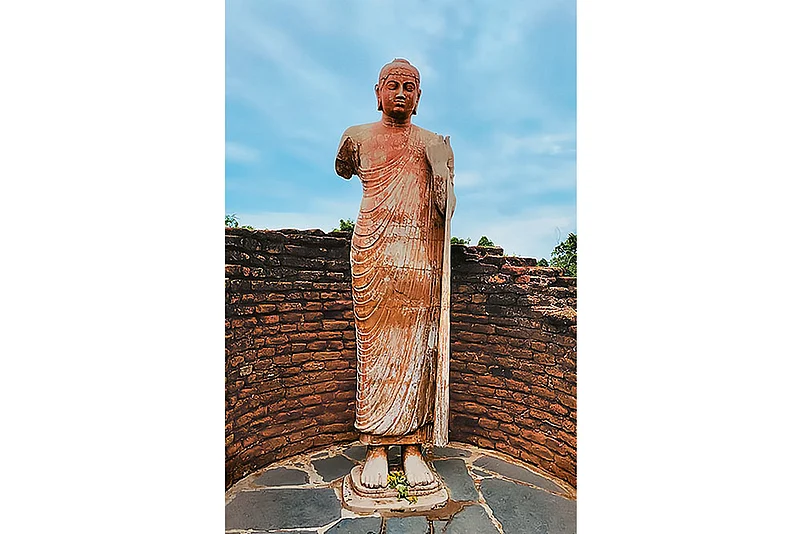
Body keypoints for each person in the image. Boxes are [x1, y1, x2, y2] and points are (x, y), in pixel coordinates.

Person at [335, 58, 455, 489]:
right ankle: (376, 447)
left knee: (415, 352)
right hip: (372, 252)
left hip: (419, 254)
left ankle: (412, 446)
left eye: (410, 87)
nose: (401, 93)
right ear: (377, 91)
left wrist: (442, 171)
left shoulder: (433, 143)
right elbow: (343, 168)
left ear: (419, 97)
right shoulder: (357, 137)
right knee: (375, 353)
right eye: (393, 85)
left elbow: (447, 210)